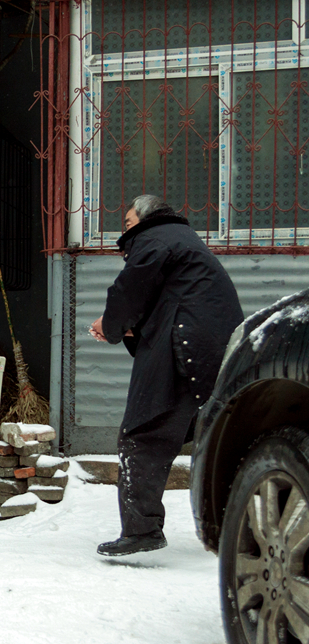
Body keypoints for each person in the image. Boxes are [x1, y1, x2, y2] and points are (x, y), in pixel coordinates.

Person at [90, 194, 244, 557]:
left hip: (185, 348)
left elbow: (129, 289)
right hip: (215, 347)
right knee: (219, 436)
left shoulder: (154, 238)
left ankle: (142, 531)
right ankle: (240, 527)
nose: (123, 232)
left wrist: (111, 325)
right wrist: (129, 328)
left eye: (126, 223)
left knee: (143, 434)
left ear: (145, 219)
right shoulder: (182, 241)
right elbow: (170, 300)